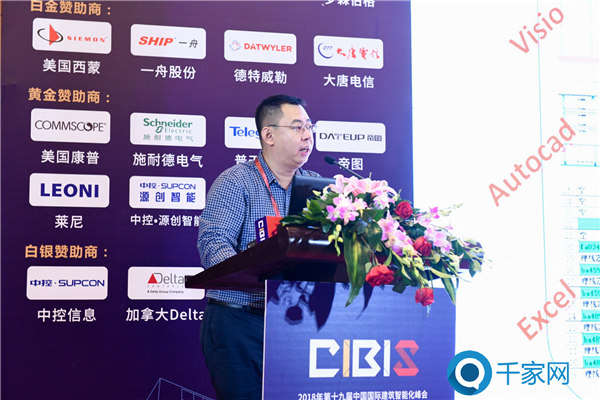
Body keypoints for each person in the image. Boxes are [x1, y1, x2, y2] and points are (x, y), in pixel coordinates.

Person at [197, 94, 319, 400]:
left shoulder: (317, 187)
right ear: (269, 135)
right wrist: (257, 274)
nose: (307, 135)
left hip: (296, 324)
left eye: (309, 127)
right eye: (297, 127)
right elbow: (213, 243)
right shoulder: (236, 182)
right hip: (241, 322)